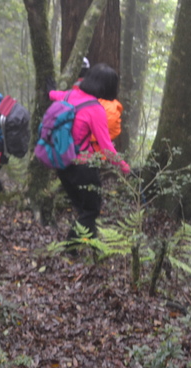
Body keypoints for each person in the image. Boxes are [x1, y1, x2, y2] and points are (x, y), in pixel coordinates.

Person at [49, 63, 130, 240]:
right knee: (92, 210)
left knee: (82, 207)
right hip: (83, 166)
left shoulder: (69, 95)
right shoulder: (95, 110)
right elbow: (107, 147)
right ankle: (71, 247)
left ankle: (89, 243)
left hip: (61, 162)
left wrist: (49, 88)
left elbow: (53, 95)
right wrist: (124, 167)